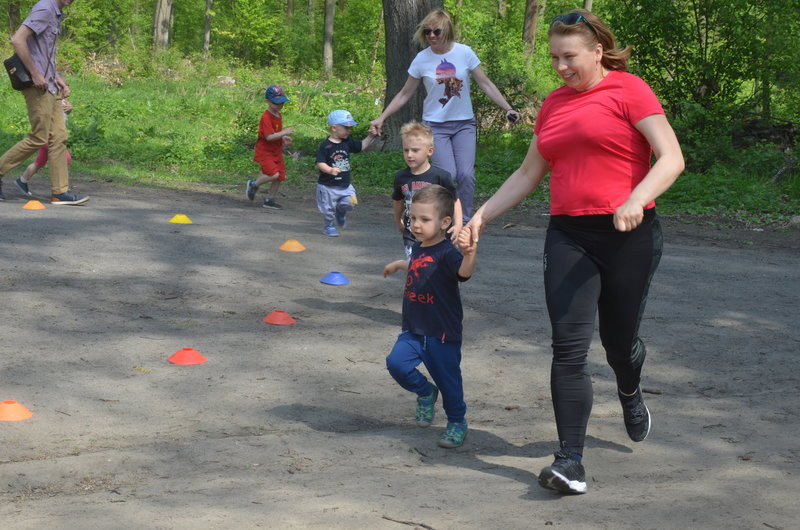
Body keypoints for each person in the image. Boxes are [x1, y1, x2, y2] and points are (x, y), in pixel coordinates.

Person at [461, 9, 684, 494]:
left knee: (618, 344)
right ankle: (570, 461)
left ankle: (629, 387)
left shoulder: (629, 90)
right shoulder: (554, 105)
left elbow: (672, 157)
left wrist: (635, 199)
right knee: (568, 347)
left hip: (628, 233)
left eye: (570, 57)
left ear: (597, 51)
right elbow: (528, 174)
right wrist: (482, 215)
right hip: (568, 235)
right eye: (554, 58)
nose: (561, 67)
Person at [369, 9, 519, 224]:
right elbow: (404, 93)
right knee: (447, 175)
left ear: (447, 31)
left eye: (436, 31)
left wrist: (508, 108)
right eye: (427, 31)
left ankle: (464, 222)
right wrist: (381, 117)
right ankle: (445, 221)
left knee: (466, 176)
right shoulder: (422, 59)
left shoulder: (465, 53)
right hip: (435, 126)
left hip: (464, 124)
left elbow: (485, 83)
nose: (431, 36)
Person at [384, 184, 477, 448]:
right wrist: (399, 265)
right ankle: (425, 391)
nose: (415, 224)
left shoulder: (448, 253)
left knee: (449, 383)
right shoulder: (419, 247)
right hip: (413, 329)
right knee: (396, 364)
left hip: (441, 334)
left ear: (445, 222)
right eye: (412, 218)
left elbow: (464, 274)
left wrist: (470, 254)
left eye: (424, 219)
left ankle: (457, 422)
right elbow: (419, 266)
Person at [0, 0, 88, 205]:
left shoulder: (56, 13)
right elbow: (18, 40)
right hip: (37, 85)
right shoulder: (45, 8)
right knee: (39, 137)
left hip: (50, 85)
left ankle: (59, 192)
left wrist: (56, 77)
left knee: (59, 136)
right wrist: (35, 73)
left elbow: (43, 53)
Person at [392, 121, 462, 259]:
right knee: (416, 267)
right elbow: (398, 201)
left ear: (429, 151)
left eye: (415, 150)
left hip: (439, 234)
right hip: (412, 233)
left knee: (439, 269)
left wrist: (458, 224)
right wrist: (397, 220)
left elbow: (454, 200)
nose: (409, 155)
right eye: (406, 150)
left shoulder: (441, 176)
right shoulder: (401, 177)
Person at [315, 109, 376, 236]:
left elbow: (362, 146)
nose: (349, 131)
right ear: (334, 128)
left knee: (351, 202)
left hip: (345, 184)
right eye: (346, 128)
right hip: (328, 186)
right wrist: (330, 170)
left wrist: (371, 136)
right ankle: (328, 226)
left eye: (350, 128)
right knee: (328, 210)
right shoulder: (325, 145)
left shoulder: (348, 142)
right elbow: (320, 163)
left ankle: (341, 211)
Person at [245, 84, 294, 210]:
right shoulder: (266, 117)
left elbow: (275, 132)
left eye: (282, 103)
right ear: (268, 101)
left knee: (280, 176)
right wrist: (284, 133)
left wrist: (283, 139)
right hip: (265, 151)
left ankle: (269, 200)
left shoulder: (278, 115)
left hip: (276, 151)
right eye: (276, 103)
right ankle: (253, 184)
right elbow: (269, 137)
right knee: (273, 174)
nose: (279, 106)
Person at [15, 98, 74, 197]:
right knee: (65, 158)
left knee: (39, 162)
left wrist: (70, 109)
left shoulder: (63, 101)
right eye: (64, 86)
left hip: (55, 135)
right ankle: (61, 188)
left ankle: (22, 181)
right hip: (49, 135)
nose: (67, 90)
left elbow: (64, 115)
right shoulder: (50, 98)